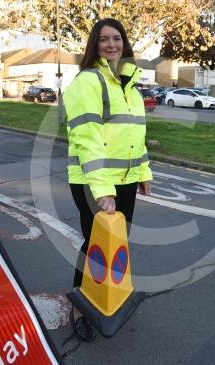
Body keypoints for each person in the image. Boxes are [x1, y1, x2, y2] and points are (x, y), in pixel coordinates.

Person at [63, 18, 152, 341]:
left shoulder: (129, 87)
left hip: (124, 178)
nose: (112, 44)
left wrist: (142, 173)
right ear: (94, 45)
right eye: (104, 39)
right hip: (93, 180)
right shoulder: (89, 81)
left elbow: (136, 137)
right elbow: (87, 139)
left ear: (125, 45)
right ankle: (79, 304)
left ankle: (106, 293)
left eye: (117, 39)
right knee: (94, 243)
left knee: (117, 240)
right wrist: (102, 190)